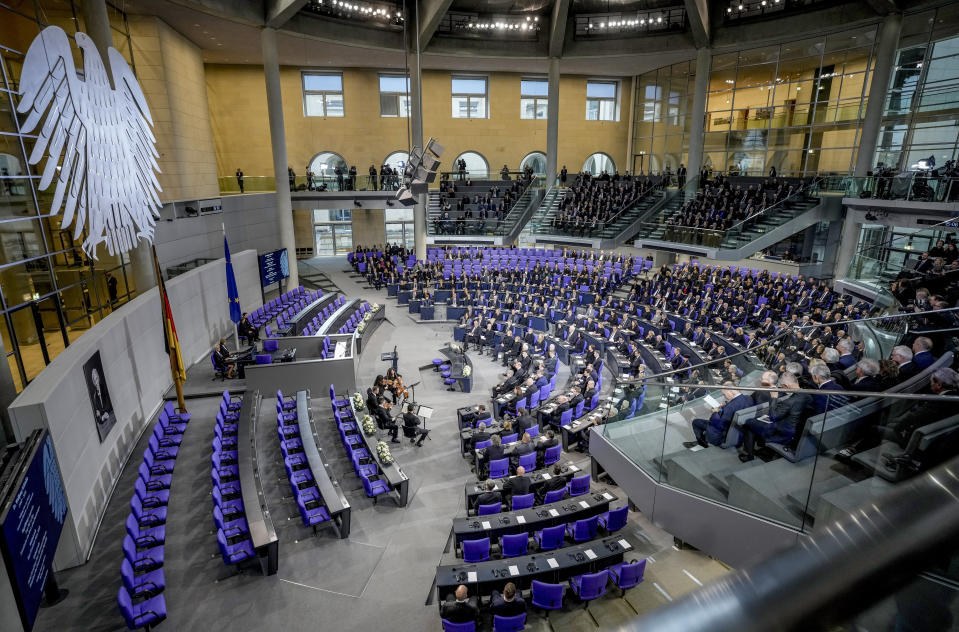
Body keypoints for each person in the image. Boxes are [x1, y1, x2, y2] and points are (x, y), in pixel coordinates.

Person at [739, 373, 809, 462]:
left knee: (749, 422)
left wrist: (774, 398)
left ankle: (749, 456)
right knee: (756, 422)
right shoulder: (807, 395)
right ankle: (763, 449)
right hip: (794, 428)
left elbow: (773, 416)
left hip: (781, 432)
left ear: (785, 385)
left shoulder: (790, 401)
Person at [685, 384, 753, 449]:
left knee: (696, 422)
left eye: (724, 394)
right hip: (739, 429)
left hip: (723, 432)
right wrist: (727, 403)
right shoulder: (748, 398)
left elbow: (716, 424)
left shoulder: (730, 407)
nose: (724, 396)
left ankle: (702, 443)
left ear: (731, 391)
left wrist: (715, 412)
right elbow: (737, 406)